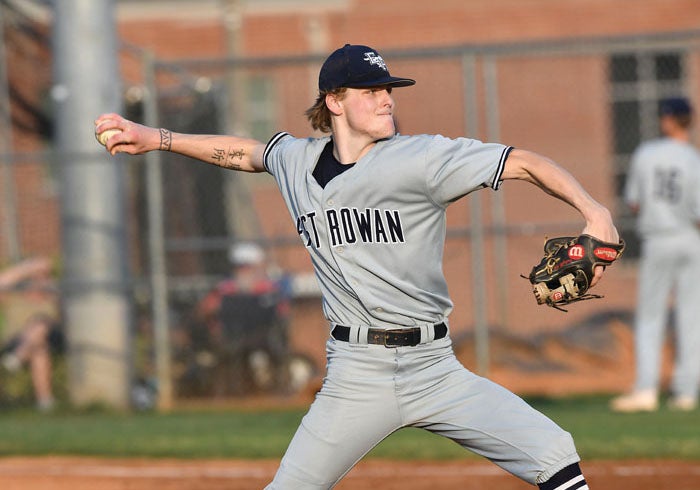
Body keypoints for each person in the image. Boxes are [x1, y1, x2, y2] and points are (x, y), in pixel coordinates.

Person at [96, 43, 620, 490]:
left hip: (435, 368)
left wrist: (594, 211)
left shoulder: (422, 159)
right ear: (335, 101)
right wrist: (156, 138)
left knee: (554, 452)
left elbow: (524, 162)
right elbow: (242, 152)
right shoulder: (296, 162)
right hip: (356, 374)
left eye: (388, 88)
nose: (387, 98)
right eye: (371, 91)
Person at [610, 97, 700, 413]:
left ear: (667, 120)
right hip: (690, 239)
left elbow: (634, 202)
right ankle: (686, 393)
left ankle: (646, 390)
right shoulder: (693, 158)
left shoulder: (646, 153)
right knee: (691, 317)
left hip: (658, 240)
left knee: (650, 317)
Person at [196, 242, 290, 395]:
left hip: (262, 336)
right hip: (232, 337)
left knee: (273, 349)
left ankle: (277, 390)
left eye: (248, 267)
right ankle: (232, 393)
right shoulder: (224, 289)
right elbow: (205, 310)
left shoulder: (269, 289)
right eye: (241, 267)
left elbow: (282, 314)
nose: (244, 271)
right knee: (228, 354)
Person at [0, 257, 63, 411]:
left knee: (40, 324)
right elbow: (2, 282)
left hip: (51, 337)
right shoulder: (14, 297)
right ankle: (45, 402)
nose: (38, 281)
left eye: (43, 276)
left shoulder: (52, 298)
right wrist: (28, 267)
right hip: (16, 341)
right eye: (35, 277)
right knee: (39, 350)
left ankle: (17, 359)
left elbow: (60, 290)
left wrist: (46, 275)